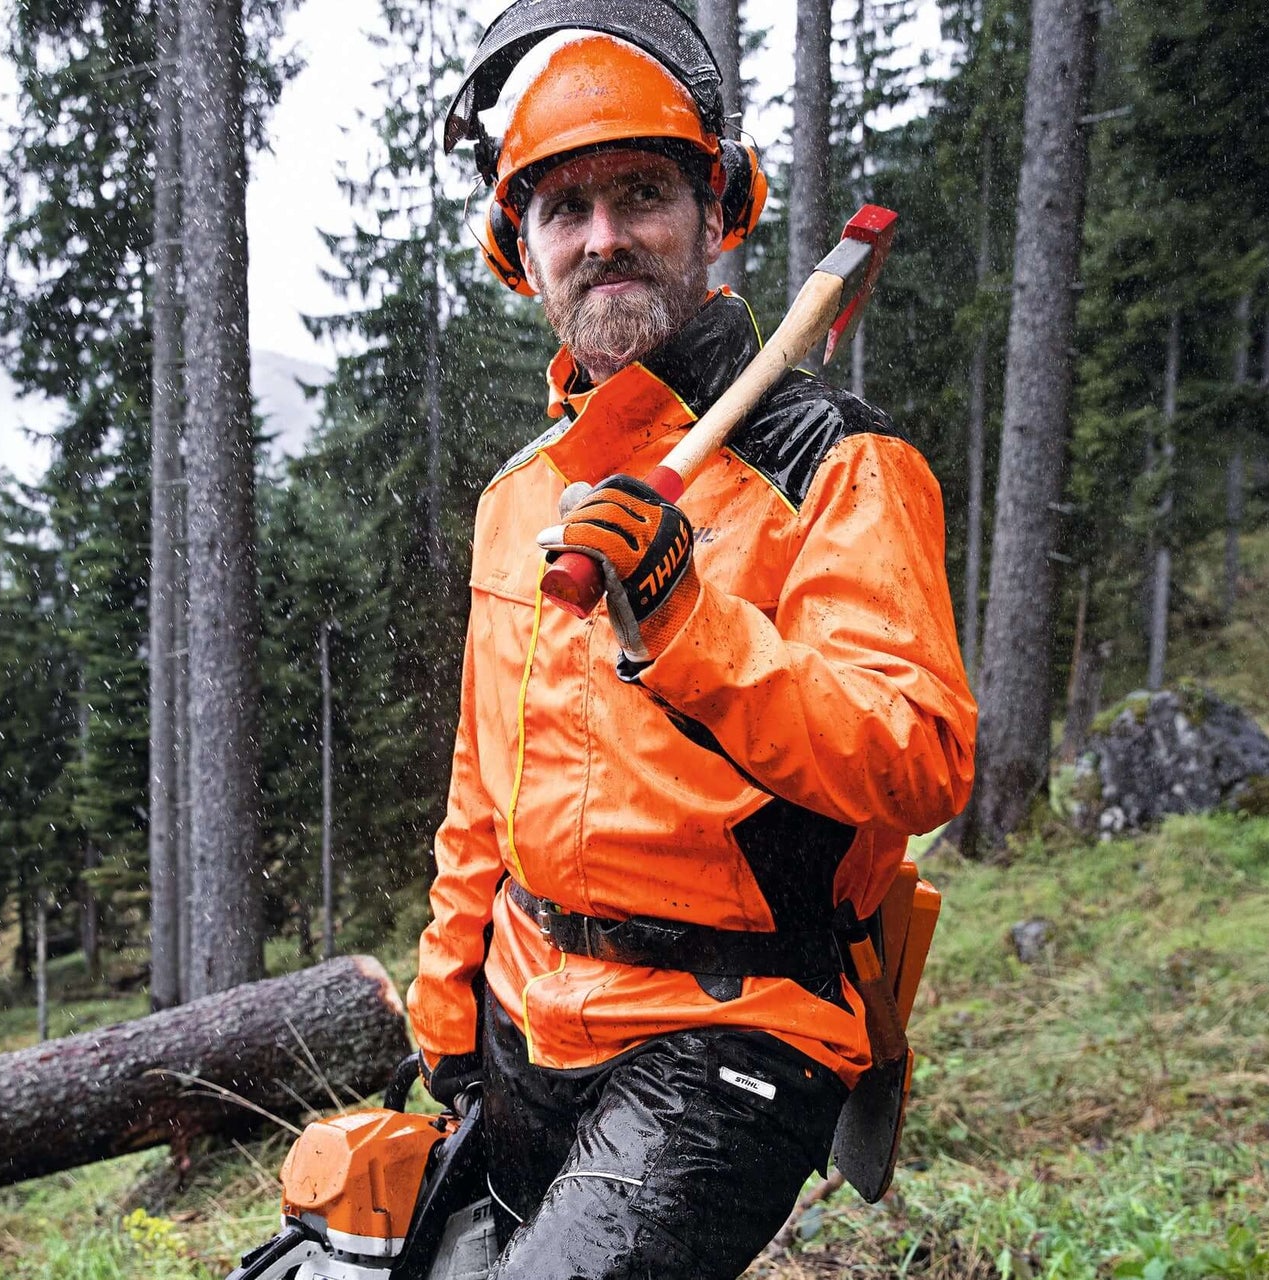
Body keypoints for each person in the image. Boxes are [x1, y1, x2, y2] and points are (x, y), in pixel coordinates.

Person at [404, 3, 978, 1277]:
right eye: (566, 209)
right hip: (524, 1012)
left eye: (640, 194)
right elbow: (481, 792)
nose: (604, 236)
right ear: (522, 252)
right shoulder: (520, 500)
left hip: (737, 1024)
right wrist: (446, 1002)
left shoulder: (839, 465)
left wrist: (688, 622)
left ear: (716, 213)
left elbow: (920, 756)